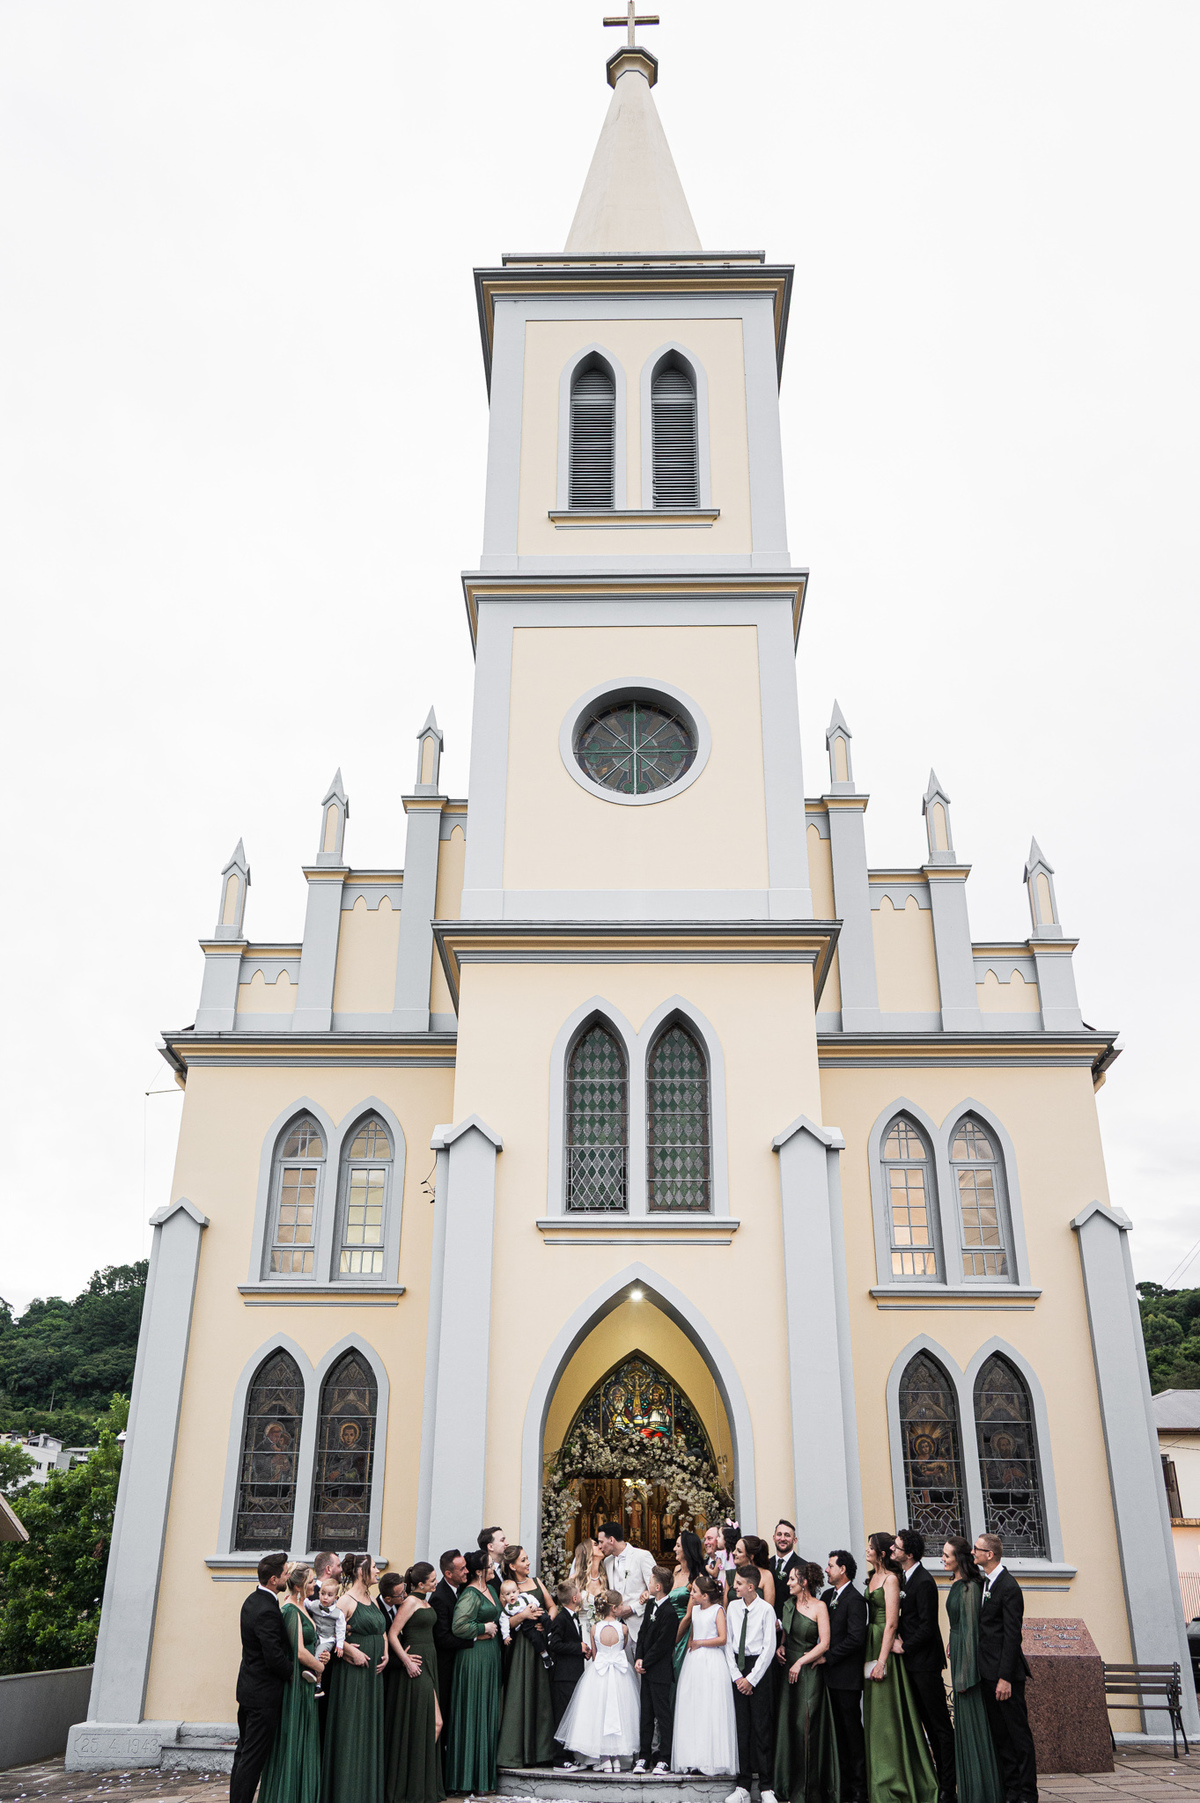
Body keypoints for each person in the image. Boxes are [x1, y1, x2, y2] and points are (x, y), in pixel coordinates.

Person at [862, 1533, 937, 1803]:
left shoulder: (892, 1580)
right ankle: (877, 1779)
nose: (867, 1550)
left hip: (886, 1646)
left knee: (889, 1714)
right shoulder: (871, 1578)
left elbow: (892, 1622)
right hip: (871, 1642)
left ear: (881, 1553)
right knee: (873, 1715)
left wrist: (882, 1661)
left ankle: (896, 1779)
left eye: (871, 1547)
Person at [892, 1530, 955, 1803]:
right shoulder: (904, 1578)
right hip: (912, 1664)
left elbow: (928, 1627)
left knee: (938, 1725)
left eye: (896, 1547)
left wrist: (903, 1646)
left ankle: (948, 1786)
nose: (892, 1550)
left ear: (909, 1554)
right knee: (925, 1724)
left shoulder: (924, 1582)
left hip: (925, 1664)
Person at [973, 1534, 1036, 1803]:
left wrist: (1005, 1678)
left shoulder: (1009, 1587)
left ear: (990, 1555)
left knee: (1017, 1735)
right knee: (1000, 1735)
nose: (973, 1552)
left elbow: (1012, 1636)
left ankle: (1027, 1793)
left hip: (1005, 1675)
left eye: (978, 1549)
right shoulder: (985, 1583)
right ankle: (1011, 1790)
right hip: (987, 1672)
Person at [320, 1553, 388, 1803]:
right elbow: (325, 1634)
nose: (378, 1571)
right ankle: (347, 1792)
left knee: (369, 1730)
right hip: (353, 1676)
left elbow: (382, 1630)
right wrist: (350, 1651)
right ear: (361, 1572)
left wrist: (387, 1654)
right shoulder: (345, 1601)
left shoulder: (372, 1599)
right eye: (374, 1568)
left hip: (374, 1676)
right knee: (352, 1730)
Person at [258, 1563, 326, 1803]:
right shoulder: (289, 1610)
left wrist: (320, 1656)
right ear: (298, 1585)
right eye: (310, 1582)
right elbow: (297, 1651)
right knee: (293, 1739)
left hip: (307, 1683)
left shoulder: (303, 1607)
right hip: (296, 1683)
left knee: (307, 1738)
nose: (314, 1586)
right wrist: (320, 1666)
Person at [230, 1551, 295, 1803]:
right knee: (253, 1757)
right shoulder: (267, 1610)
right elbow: (273, 1656)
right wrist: (294, 1674)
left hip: (247, 1689)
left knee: (243, 1753)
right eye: (285, 1574)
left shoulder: (251, 1600)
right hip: (262, 1696)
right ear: (272, 1580)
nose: (287, 1577)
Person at [554, 1588, 642, 1772]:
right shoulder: (623, 1628)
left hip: (599, 1674)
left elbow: (595, 1655)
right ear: (616, 1609)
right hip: (620, 1675)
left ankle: (604, 1758)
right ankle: (617, 1759)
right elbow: (622, 1646)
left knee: (600, 1714)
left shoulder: (595, 1628)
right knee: (619, 1713)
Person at [941, 1539, 1002, 1803]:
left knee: (973, 1724)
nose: (942, 1559)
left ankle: (981, 1792)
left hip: (968, 1668)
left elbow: (971, 1632)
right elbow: (960, 1626)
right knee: (964, 1726)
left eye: (946, 1555)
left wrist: (966, 1676)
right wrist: (951, 1639)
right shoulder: (958, 1584)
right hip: (958, 1652)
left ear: (960, 1558)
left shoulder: (969, 1588)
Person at [773, 1561, 838, 1803]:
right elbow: (787, 1633)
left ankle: (808, 1791)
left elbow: (825, 1644)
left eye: (792, 1579)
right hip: (787, 1673)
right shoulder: (788, 1605)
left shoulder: (820, 1607)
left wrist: (800, 1663)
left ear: (804, 1582)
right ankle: (788, 1786)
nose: (788, 1583)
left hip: (808, 1673)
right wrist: (781, 1645)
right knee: (789, 1728)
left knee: (805, 1728)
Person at [385, 1562, 445, 1803]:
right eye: (432, 1580)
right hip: (417, 1666)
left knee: (432, 1723)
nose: (436, 1582)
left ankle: (419, 1780)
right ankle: (412, 1780)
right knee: (435, 1722)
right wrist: (407, 1661)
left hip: (429, 1662)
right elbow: (392, 1633)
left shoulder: (425, 1601)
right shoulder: (410, 1602)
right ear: (420, 1584)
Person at [497, 1543, 559, 1767]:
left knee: (541, 1695)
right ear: (512, 1565)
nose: (528, 1563)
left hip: (539, 1644)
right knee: (521, 1693)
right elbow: (506, 1621)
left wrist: (547, 1622)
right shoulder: (507, 1590)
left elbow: (552, 1606)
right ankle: (515, 1753)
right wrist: (523, 1616)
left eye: (526, 1559)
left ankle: (542, 1752)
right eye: (523, 1560)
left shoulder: (537, 1582)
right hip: (521, 1648)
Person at [446, 1549, 502, 1794]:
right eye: (490, 1566)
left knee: (487, 1713)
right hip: (474, 1659)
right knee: (473, 1713)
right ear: (480, 1571)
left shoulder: (488, 1589)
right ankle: (465, 1778)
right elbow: (458, 1626)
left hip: (490, 1656)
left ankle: (483, 1778)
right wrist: (483, 1627)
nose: (493, 1569)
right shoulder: (470, 1593)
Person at [672, 1574, 737, 1777]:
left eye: (695, 1592)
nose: (691, 1595)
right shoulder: (696, 1611)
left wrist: (700, 1643)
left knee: (711, 1707)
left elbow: (723, 1638)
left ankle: (713, 1759)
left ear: (706, 1596)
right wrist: (692, 1643)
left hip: (712, 1661)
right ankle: (692, 1757)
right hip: (695, 1663)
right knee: (694, 1707)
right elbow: (692, 1634)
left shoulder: (718, 1611)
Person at [723, 1564, 779, 1803]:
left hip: (759, 1670)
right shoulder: (733, 1608)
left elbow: (769, 1648)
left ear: (750, 1586)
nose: (733, 1586)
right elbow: (728, 1643)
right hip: (738, 1667)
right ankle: (743, 1785)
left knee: (761, 1727)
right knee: (742, 1727)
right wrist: (737, 1676)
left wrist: (752, 1679)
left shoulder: (766, 1610)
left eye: (738, 1583)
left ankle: (766, 1786)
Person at [823, 1549, 868, 1803]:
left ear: (843, 1570)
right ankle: (840, 1787)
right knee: (837, 1733)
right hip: (829, 1677)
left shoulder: (855, 1600)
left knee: (851, 1732)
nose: (827, 1569)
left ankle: (859, 1789)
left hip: (847, 1678)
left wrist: (827, 1657)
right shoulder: (828, 1595)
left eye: (830, 1566)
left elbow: (855, 1639)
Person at [430, 1550, 473, 1775]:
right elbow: (443, 1638)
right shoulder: (439, 1597)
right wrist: (474, 1639)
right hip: (444, 1667)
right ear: (448, 1573)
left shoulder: (459, 1591)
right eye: (462, 1569)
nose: (467, 1571)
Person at [633, 1565, 678, 1775]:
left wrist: (646, 1661)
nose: (648, 1584)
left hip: (659, 1671)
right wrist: (638, 1657)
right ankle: (644, 1757)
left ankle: (664, 1757)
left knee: (662, 1715)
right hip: (647, 1669)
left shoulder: (670, 1613)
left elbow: (662, 1644)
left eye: (650, 1581)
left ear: (658, 1586)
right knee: (646, 1715)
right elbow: (643, 1633)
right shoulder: (651, 1605)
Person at [549, 1581, 589, 1766]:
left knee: (571, 1716)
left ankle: (570, 1756)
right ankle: (560, 1758)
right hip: (563, 1676)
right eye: (579, 1593)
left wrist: (583, 1650)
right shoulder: (561, 1619)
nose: (581, 1595)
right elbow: (554, 1645)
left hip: (573, 1674)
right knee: (563, 1716)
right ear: (574, 1598)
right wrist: (577, 1647)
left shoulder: (572, 1617)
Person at [597, 1520, 656, 1645]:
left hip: (639, 1624)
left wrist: (632, 1609)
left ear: (611, 1540)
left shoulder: (642, 1556)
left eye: (601, 1542)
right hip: (615, 1628)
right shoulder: (607, 1562)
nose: (599, 1546)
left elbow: (657, 1590)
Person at [669, 1530, 704, 1679]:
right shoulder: (676, 1570)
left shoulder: (697, 1578)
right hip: (668, 1624)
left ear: (687, 1549)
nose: (674, 1549)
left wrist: (673, 1640)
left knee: (678, 1671)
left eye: (678, 1545)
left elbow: (689, 1615)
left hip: (682, 1631)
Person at [309, 1575, 347, 1693]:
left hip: (327, 1639)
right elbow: (305, 1603)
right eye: (323, 1593)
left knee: (319, 1656)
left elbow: (341, 1629)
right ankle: (317, 1683)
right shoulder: (314, 1604)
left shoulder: (338, 1613)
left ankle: (316, 1680)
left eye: (329, 1595)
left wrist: (339, 1645)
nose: (325, 1597)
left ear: (335, 1597)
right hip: (316, 1636)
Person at [569, 1535, 606, 1630]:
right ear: (586, 1551)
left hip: (602, 1631)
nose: (600, 1547)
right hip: (582, 1631)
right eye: (595, 1544)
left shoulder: (605, 1578)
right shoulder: (575, 1580)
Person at [772, 1521, 802, 1607]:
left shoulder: (803, 1566)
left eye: (787, 1535)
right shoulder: (766, 1564)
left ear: (794, 1540)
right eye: (779, 1534)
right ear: (774, 1538)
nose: (782, 1539)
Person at [478, 1525, 507, 1595]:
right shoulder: (482, 1573)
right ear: (490, 1546)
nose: (507, 1543)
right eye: (502, 1540)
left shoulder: (510, 1567)